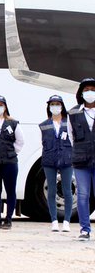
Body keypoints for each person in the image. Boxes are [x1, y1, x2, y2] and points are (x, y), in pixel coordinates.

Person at [0, 95, 24, 230]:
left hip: (10, 162)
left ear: (5, 107)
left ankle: (8, 219)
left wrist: (11, 152)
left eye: (0, 105)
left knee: (10, 190)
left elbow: (20, 141)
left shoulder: (13, 123)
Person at [39, 95, 73, 233]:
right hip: (49, 160)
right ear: (49, 107)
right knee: (51, 190)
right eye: (52, 104)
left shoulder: (68, 123)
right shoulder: (44, 125)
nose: (55, 106)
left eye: (57, 104)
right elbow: (42, 142)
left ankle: (66, 221)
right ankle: (54, 220)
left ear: (62, 106)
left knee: (67, 191)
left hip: (66, 159)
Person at [67, 77, 95, 241]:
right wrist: (80, 150)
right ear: (81, 93)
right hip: (81, 160)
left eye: (92, 89)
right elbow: (71, 137)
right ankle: (85, 229)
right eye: (86, 90)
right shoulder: (73, 113)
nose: (90, 92)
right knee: (83, 195)